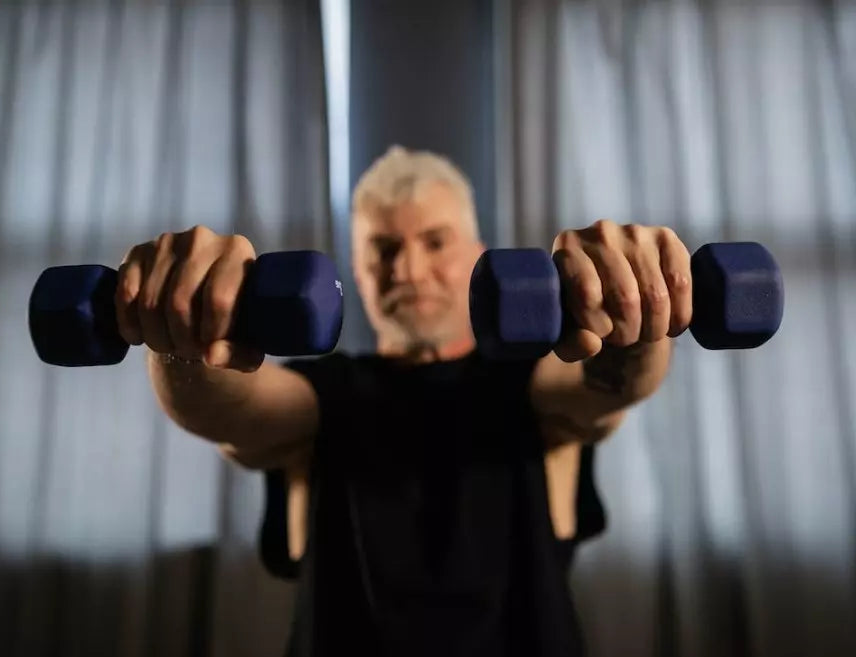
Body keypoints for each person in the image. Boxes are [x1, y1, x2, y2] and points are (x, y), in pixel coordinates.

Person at [118, 145, 692, 657]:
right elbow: (227, 410)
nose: (408, 270)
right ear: (359, 275)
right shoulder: (323, 395)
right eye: (383, 250)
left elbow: (612, 384)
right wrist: (185, 339)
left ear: (477, 253)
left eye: (434, 242)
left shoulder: (530, 386)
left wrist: (635, 321)